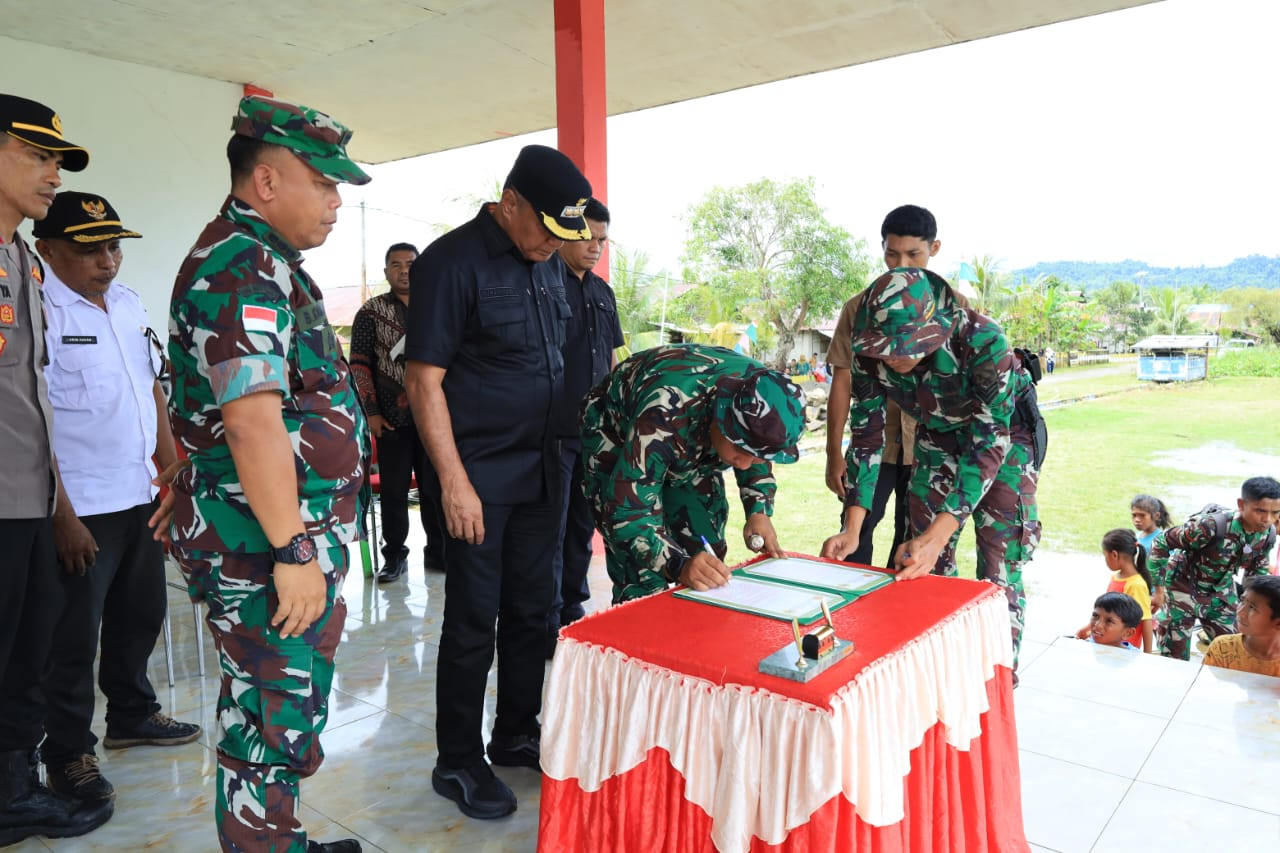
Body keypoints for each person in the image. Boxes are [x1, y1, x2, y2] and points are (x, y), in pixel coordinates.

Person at [166, 95, 370, 853]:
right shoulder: (240, 263)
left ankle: (276, 840)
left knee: (279, 701)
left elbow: (216, 407)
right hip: (262, 542)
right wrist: (290, 548)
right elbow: (251, 421)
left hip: (271, 529)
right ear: (265, 180)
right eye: (322, 181)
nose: (335, 200)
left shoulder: (265, 261)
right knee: (271, 709)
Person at [404, 144, 591, 820]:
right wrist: (450, 482)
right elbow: (423, 381)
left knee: (533, 612)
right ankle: (457, 759)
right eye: (546, 227)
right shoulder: (452, 263)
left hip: (544, 471)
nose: (554, 244)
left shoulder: (546, 263)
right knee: (472, 620)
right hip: (478, 478)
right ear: (510, 203)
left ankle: (515, 730)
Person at [34, 192, 201, 803]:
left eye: (113, 247)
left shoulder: (127, 305)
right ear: (46, 250)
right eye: (89, 250)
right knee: (71, 639)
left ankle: (132, 714)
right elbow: (32, 418)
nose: (107, 261)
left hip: (137, 494)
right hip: (77, 505)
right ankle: (68, 752)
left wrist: (172, 467)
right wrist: (62, 515)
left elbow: (151, 391)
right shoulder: (40, 312)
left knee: (140, 616)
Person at [820, 265, 1042, 671]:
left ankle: (996, 680)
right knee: (919, 561)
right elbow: (868, 436)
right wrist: (853, 528)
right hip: (936, 437)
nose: (895, 357)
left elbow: (989, 440)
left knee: (997, 567)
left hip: (1005, 442)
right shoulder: (867, 350)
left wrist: (942, 532)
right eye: (886, 347)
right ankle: (932, 671)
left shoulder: (982, 339)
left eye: (906, 346)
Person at [0, 93, 114, 846]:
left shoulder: (20, 256)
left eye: (57, 160)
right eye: (36, 156)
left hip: (29, 496)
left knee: (27, 653)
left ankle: (13, 794)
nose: (51, 175)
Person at [580, 344, 806, 602]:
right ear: (723, 418)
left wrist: (758, 510)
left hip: (691, 436)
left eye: (755, 455)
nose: (744, 464)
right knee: (643, 577)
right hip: (614, 431)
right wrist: (677, 564)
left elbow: (757, 447)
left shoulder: (762, 393)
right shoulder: (663, 413)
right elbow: (626, 514)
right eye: (740, 451)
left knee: (707, 561)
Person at [825, 204, 970, 568]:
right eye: (892, 254)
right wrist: (833, 454)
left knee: (915, 545)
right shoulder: (860, 309)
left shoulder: (956, 309)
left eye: (913, 254)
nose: (902, 264)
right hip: (878, 445)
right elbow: (844, 383)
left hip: (933, 449)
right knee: (855, 533)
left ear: (934, 249)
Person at [548, 198, 622, 653]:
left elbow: (611, 358)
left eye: (602, 240)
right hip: (551, 428)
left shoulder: (602, 292)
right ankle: (547, 611)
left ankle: (573, 604)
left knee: (582, 522)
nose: (595, 248)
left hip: (595, 432)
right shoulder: (544, 285)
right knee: (550, 525)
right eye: (588, 238)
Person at [350, 241, 447, 582]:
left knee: (436, 488)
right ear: (386, 271)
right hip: (391, 419)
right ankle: (394, 557)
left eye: (410, 263)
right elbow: (359, 366)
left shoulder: (439, 307)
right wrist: (372, 413)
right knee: (393, 491)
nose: (404, 270)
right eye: (396, 264)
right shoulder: (370, 312)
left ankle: (439, 553)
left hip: (435, 418)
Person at [1149, 477, 1280, 660]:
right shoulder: (1210, 526)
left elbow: (1255, 579)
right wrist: (1159, 590)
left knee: (1239, 649)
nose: (1267, 519)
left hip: (1220, 594)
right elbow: (1161, 542)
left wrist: (1255, 610)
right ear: (1241, 505)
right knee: (1174, 659)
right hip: (1181, 590)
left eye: (1275, 513)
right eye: (1260, 511)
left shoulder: (1267, 536)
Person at [1074, 529, 1154, 653]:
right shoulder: (1116, 577)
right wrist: (1088, 628)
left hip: (1122, 649)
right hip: (1106, 644)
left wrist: (1147, 654)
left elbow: (1146, 620)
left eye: (1105, 555)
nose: (1105, 560)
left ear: (1114, 555)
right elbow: (1105, 612)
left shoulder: (1136, 585)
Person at [1203, 575, 1280, 678]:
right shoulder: (1222, 649)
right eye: (1242, 601)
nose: (1240, 612)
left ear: (1277, 623)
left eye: (1252, 607)